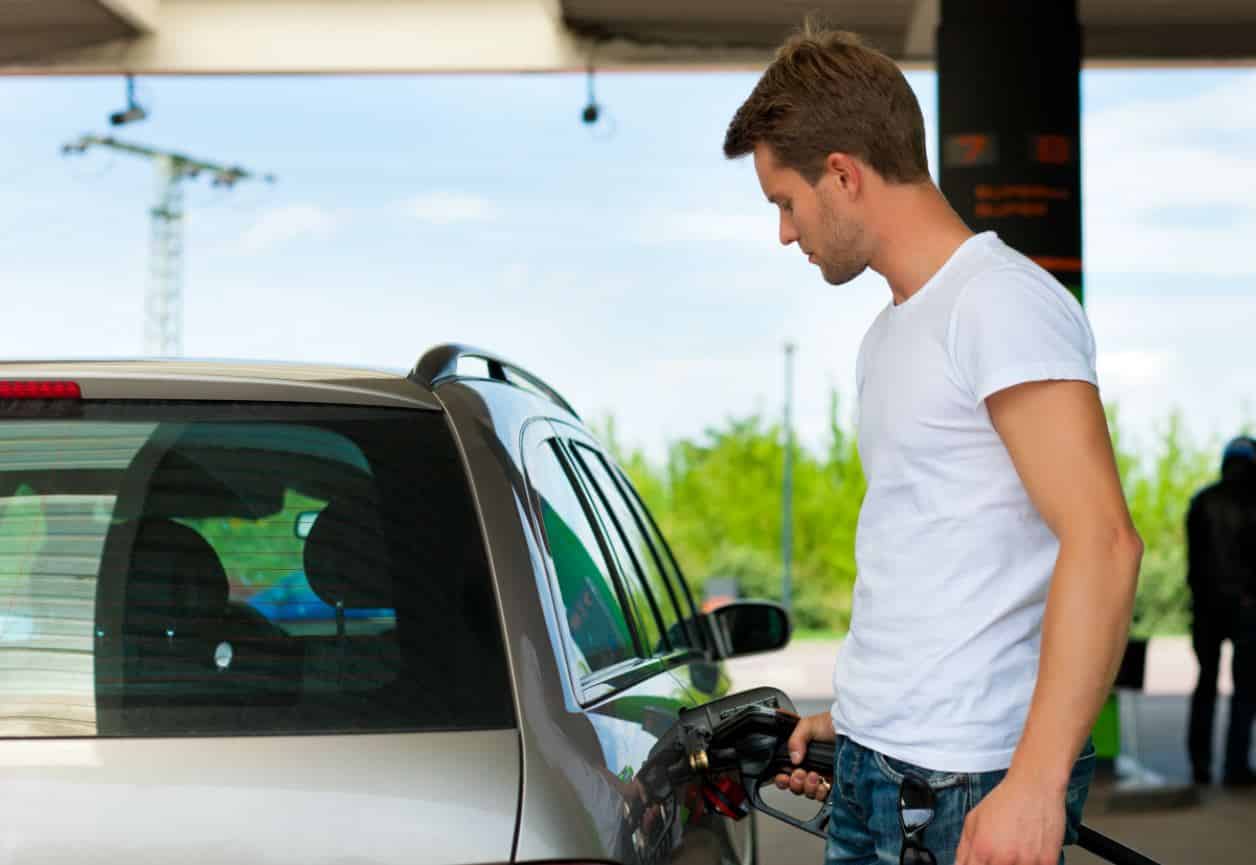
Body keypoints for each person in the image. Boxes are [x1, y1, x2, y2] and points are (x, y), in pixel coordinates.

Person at [722, 26, 1143, 865]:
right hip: (883, 770)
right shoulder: (892, 333)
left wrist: (1033, 781)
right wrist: (857, 718)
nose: (783, 231)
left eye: (785, 201)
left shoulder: (999, 304)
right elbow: (941, 554)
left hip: (968, 784)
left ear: (842, 173)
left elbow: (1104, 541)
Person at [1185, 435, 1256, 787]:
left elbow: (1194, 563)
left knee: (1206, 686)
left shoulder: (1202, 501)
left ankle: (1200, 767)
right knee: (1245, 691)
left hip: (1206, 609)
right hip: (1247, 609)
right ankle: (1235, 767)